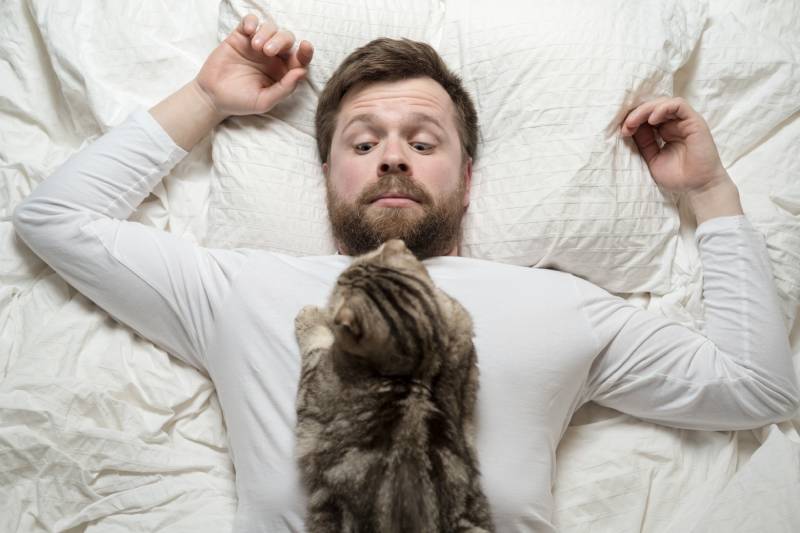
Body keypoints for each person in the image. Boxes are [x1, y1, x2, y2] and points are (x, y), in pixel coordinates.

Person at [11, 12, 799, 533]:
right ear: (326, 174)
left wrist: (707, 192)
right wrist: (207, 99)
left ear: (466, 173)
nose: (392, 153)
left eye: (423, 141)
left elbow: (754, 391)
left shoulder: (562, 304)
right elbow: (56, 220)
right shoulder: (244, 289)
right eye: (362, 142)